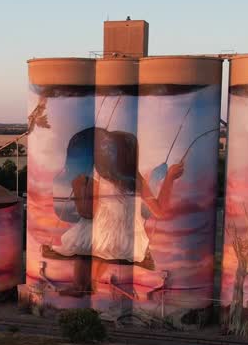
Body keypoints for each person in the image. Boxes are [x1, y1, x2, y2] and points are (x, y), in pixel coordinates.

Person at [44, 127, 184, 296]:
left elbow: (88, 212)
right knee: (96, 241)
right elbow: (159, 211)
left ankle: (80, 285)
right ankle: (88, 284)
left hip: (104, 237)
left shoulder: (97, 176)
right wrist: (169, 178)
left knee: (85, 236)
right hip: (130, 241)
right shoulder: (136, 178)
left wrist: (80, 187)